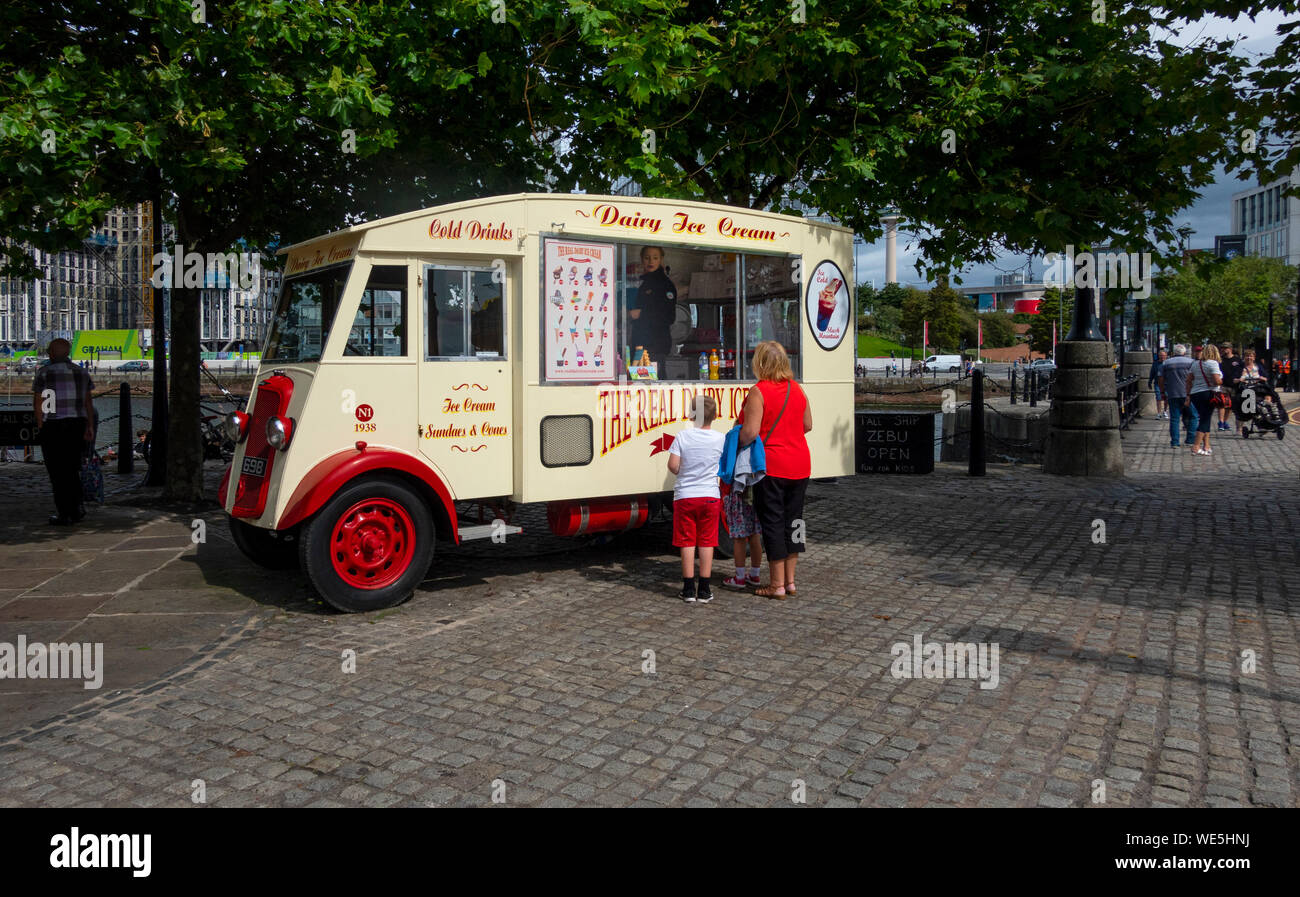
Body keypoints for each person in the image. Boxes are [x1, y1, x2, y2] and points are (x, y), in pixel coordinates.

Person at [739, 341, 812, 599]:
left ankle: (776, 585)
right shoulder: (797, 389)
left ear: (760, 363)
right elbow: (808, 424)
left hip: (773, 466)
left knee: (772, 522)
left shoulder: (759, 391)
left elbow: (750, 432)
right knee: (795, 521)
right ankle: (791, 582)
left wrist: (733, 443)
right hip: (801, 464)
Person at [667, 395, 725, 603]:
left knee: (687, 541)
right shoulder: (720, 438)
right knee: (707, 541)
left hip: (685, 496)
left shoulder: (682, 436)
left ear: (692, 414)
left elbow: (673, 466)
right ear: (715, 415)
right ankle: (705, 589)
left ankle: (688, 588)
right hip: (710, 495)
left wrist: (684, 471)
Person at [32, 338, 95, 525]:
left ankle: (64, 513)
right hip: (77, 424)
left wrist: (41, 424)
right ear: (67, 353)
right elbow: (88, 403)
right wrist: (89, 426)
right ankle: (77, 508)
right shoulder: (81, 372)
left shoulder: (44, 373)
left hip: (53, 425)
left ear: (51, 353)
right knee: (73, 468)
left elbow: (39, 403)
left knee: (57, 472)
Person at [627, 246, 678, 366]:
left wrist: (641, 313)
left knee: (653, 382)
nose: (651, 262)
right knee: (640, 383)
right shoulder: (645, 282)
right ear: (642, 260)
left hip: (655, 344)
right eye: (647, 258)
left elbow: (669, 316)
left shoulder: (665, 284)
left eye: (655, 258)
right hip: (641, 342)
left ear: (661, 259)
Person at [1187, 343, 1223, 456]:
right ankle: (1196, 446)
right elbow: (1217, 381)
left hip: (1195, 394)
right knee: (1205, 419)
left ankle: (1207, 445)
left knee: (1204, 417)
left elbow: (1188, 380)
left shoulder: (1195, 364)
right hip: (1209, 394)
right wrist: (1222, 381)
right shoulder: (1213, 363)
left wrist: (1188, 395)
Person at [1159, 344, 1196, 448]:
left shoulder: (1166, 363)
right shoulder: (1191, 362)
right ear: (1184, 353)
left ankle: (1175, 442)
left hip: (1172, 394)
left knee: (1174, 419)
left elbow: (1161, 378)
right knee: (1193, 416)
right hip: (1188, 394)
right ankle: (1190, 439)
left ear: (1174, 352)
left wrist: (1162, 391)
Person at [1217, 343, 1244, 432]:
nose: (1223, 350)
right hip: (1223, 385)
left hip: (1234, 386)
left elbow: (1242, 371)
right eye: (1222, 348)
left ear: (1230, 349)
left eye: (1225, 348)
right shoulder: (1220, 360)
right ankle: (1220, 422)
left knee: (1229, 406)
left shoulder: (1237, 360)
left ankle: (1225, 421)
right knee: (1222, 404)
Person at [1148, 348, 1168, 419]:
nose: (1162, 357)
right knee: (1158, 398)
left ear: (1166, 356)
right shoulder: (1155, 364)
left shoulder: (1168, 363)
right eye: (1161, 355)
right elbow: (1152, 373)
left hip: (1167, 384)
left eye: (1163, 355)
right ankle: (1159, 413)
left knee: (1166, 398)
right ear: (1159, 356)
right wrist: (1149, 382)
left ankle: (1165, 411)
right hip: (1157, 383)